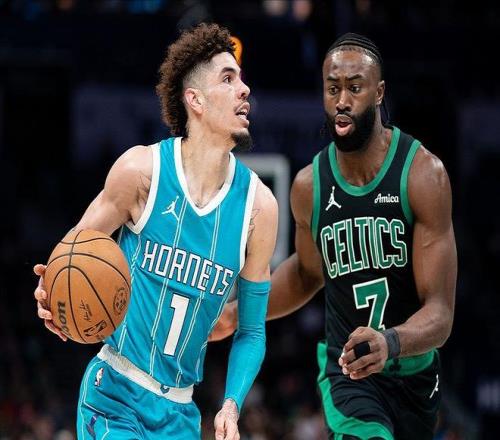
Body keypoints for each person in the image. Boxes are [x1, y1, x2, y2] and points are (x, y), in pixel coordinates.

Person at [33, 23, 278, 440]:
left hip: (181, 413)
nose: (245, 89)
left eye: (241, 79)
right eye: (228, 78)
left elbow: (252, 331)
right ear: (195, 99)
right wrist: (50, 292)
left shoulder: (260, 209)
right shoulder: (141, 171)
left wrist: (232, 404)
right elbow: (73, 251)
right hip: (113, 396)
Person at [211, 33, 457, 440]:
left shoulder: (422, 176)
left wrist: (390, 342)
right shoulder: (309, 186)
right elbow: (307, 274)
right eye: (332, 88)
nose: (342, 100)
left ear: (379, 93)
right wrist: (240, 312)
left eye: (354, 88)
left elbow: (441, 314)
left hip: (414, 374)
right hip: (348, 373)